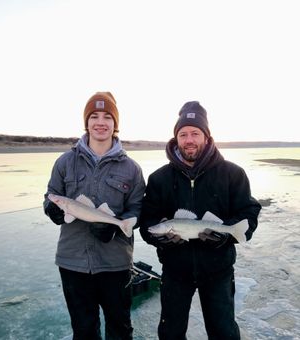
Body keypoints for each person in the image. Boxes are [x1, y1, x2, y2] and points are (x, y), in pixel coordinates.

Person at [139, 101, 261, 340]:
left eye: (195, 133)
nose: (189, 140)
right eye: (183, 134)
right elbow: (147, 222)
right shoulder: (159, 178)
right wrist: (163, 242)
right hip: (175, 271)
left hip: (218, 271)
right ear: (176, 139)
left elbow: (249, 211)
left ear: (206, 137)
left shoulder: (232, 173)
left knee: (223, 333)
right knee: (171, 333)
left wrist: (224, 237)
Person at [43, 91, 145, 340]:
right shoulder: (65, 162)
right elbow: (50, 195)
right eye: (94, 116)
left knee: (120, 330)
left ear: (115, 124)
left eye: (107, 116)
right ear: (87, 122)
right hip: (72, 262)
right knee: (84, 330)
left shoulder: (131, 168)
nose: (100, 122)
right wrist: (51, 208)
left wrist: (116, 225)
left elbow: (137, 208)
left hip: (115, 263)